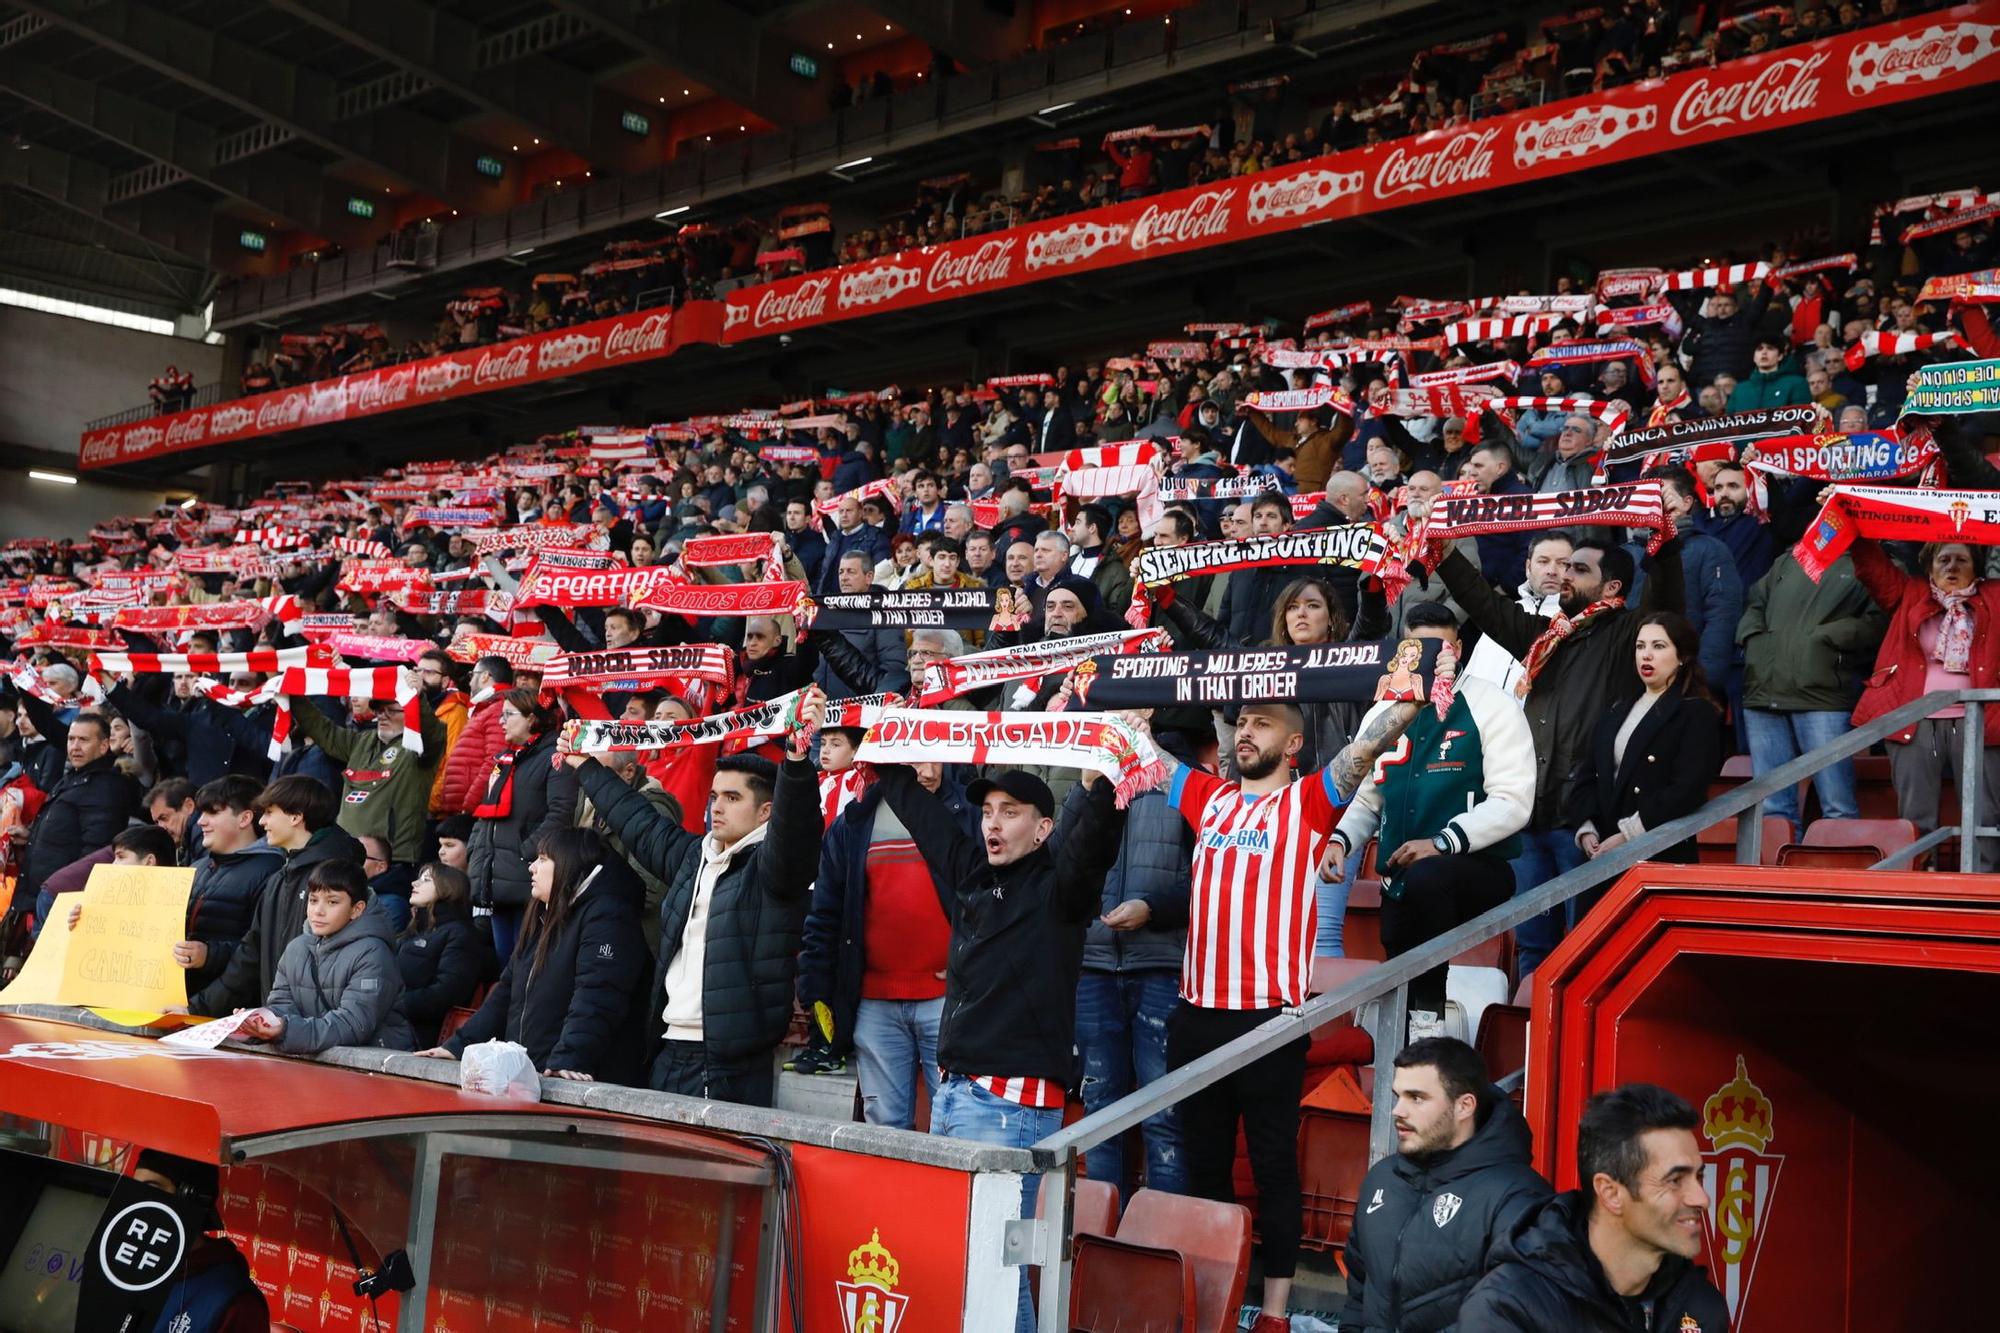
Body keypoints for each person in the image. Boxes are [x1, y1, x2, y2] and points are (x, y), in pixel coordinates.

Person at [1154, 691, 1428, 1333]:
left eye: (1261, 724)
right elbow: (1134, 753)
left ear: (1294, 743)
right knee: (1205, 1167)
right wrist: (1100, 697)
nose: (1244, 733)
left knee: (1275, 1165)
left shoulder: (1308, 801)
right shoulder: (1208, 796)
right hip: (1197, 1013)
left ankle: (1274, 1314)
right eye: (1241, 723)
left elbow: (1370, 745)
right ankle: (1211, 1302)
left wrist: (1406, 693)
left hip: (1268, 1020)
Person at [872, 760, 1125, 1331]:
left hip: (1010, 1108)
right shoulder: (971, 874)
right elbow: (922, 816)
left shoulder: (1060, 889)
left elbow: (1091, 845)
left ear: (1042, 830)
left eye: (1010, 813)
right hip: (957, 1097)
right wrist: (882, 746)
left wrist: (1098, 786)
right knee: (983, 1271)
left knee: (993, 1270)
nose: (993, 823)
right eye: (987, 811)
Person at [1436, 535, 1684, 976]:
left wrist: (1663, 546)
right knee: (1533, 948)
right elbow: (1483, 603)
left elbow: (1665, 603)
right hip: (1531, 816)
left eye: (1580, 570)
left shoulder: (1628, 635)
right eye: (1566, 568)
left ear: (1612, 588)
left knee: (1585, 948)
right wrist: (1444, 552)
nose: (1565, 576)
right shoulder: (1545, 637)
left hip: (1584, 822)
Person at [563, 692, 825, 1105]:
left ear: (766, 812)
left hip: (729, 1063)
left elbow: (797, 829)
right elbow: (639, 822)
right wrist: (587, 768)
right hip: (667, 1046)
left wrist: (795, 763)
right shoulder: (693, 856)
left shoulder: (774, 869)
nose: (717, 807)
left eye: (733, 798)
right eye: (714, 796)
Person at [1327, 609, 1530, 1037]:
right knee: (1399, 952)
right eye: (1419, 649)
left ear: (1457, 651)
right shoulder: (1383, 711)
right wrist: (1341, 842)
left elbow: (1513, 801)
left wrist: (1441, 842)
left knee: (1427, 880)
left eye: (1442, 649)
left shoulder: (1491, 704)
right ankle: (1410, 1039)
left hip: (1478, 866)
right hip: (1403, 874)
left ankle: (1427, 1026)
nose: (1431, 659)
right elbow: (1368, 796)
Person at [1459, 1084, 1727, 1332]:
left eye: (1698, 1176)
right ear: (1610, 1193)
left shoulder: (1700, 1305)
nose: (1701, 1198)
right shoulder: (1509, 1309)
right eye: (1675, 1180)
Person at [796, 760, 976, 1122]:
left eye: (935, 756)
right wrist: (817, 993)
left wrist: (969, 969)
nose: (926, 771)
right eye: (914, 760)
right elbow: (825, 916)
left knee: (957, 1124)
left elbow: (994, 903)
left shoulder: (970, 814)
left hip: (948, 1003)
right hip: (874, 1005)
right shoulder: (854, 823)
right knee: (883, 1132)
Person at [1340, 1038, 1552, 1333]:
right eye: (1398, 1096)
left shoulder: (1519, 1197)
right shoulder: (1382, 1179)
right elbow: (1359, 1293)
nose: (1397, 1111)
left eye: (1416, 1098)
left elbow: (1518, 1316)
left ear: (1464, 1105)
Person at [424, 827, 649, 1082]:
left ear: (569, 864)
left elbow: (598, 996)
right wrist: (457, 1047)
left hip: (581, 1080)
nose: (532, 868)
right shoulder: (544, 913)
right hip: (532, 1074)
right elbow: (506, 992)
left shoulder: (609, 917)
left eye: (543, 859)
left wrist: (571, 1057)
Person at [1850, 536, 2000, 869]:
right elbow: (1872, 569)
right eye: (1943, 560)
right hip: (1914, 721)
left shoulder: (1994, 597)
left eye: (1961, 560)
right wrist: (1852, 525)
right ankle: (1920, 879)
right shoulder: (1911, 593)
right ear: (1929, 567)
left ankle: (1983, 884)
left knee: (1985, 814)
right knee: (1916, 813)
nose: (1952, 567)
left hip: (1980, 720)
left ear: (1976, 567)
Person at [1075, 777, 1192, 1203]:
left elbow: (1209, 878)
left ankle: (1158, 1251)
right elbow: (1062, 863)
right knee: (1100, 1116)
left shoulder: (1183, 780)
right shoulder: (1089, 776)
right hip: (1092, 967)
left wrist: (1153, 910)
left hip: (1160, 966)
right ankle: (1102, 1247)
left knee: (1165, 1118)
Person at [187, 776, 367, 1018]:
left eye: (269, 813)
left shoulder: (338, 877)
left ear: (296, 817)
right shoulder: (279, 879)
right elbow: (250, 957)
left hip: (318, 1032)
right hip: (282, 1025)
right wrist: (196, 1009)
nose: (262, 822)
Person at [1738, 548, 1885, 840]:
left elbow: (1879, 620)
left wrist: (1823, 640)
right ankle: (1778, 885)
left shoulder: (1875, 561)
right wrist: (1753, 639)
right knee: (1773, 811)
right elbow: (1755, 601)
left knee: (1837, 805)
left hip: (1823, 696)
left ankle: (1843, 883)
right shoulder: (1789, 557)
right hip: (1765, 691)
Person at [1570, 613, 1723, 867]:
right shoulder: (1616, 710)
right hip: (1601, 855)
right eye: (1640, 646)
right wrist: (1587, 827)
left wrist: (1630, 834)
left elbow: (1687, 790)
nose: (1646, 655)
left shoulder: (1696, 713)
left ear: (1682, 656)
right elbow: (1587, 775)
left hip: (1658, 857)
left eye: (1659, 646)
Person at [240, 859, 415, 1053]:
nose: (318, 911)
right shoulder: (297, 948)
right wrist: (258, 1021)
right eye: (313, 900)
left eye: (332, 902)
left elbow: (353, 1024)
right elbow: (282, 1006)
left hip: (378, 1067)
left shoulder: (373, 953)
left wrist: (286, 1029)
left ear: (357, 909)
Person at [286, 675, 446, 869]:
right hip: (344, 853)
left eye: (392, 710)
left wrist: (418, 699)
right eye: (379, 710)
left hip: (392, 859)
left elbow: (434, 735)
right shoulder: (361, 741)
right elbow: (322, 730)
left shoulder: (418, 747)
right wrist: (292, 695)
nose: (382, 716)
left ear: (412, 712)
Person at [467, 690, 577, 963]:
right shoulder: (505, 760)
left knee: (527, 961)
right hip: (498, 880)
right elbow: (485, 818)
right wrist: (477, 855)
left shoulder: (555, 757)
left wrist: (525, 852)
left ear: (531, 719)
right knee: (506, 961)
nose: (500, 721)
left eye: (508, 715)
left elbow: (561, 813)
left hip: (528, 878)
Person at [12, 706, 141, 938]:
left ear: (103, 746)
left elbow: (95, 850)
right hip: (44, 897)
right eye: (71, 739)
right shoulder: (73, 778)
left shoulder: (107, 787)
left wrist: (77, 899)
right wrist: (31, 836)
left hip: (67, 904)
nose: (75, 746)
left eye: (83, 740)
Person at [129, 1150, 269, 1333]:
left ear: (190, 1198)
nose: (137, 1203)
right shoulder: (127, 1270)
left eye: (153, 1190)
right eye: (134, 1190)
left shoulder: (237, 1304)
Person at [173, 775, 285, 996]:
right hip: (181, 1003)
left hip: (228, 1015)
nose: (200, 821)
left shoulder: (273, 872)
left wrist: (209, 955)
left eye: (212, 812)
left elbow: (261, 952)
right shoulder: (198, 867)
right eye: (201, 813)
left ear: (244, 819)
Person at [1461, 534, 1571, 698]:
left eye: (1563, 564)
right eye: (1543, 561)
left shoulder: (1573, 621)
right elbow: (1472, 676)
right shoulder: (1505, 612)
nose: (1551, 571)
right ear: (1528, 567)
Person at [395, 862, 491, 1048]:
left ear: (448, 889)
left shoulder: (460, 934)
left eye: (426, 880)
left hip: (421, 1038)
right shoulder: (414, 930)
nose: (415, 883)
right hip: (396, 1026)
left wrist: (393, 1004)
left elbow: (446, 993)